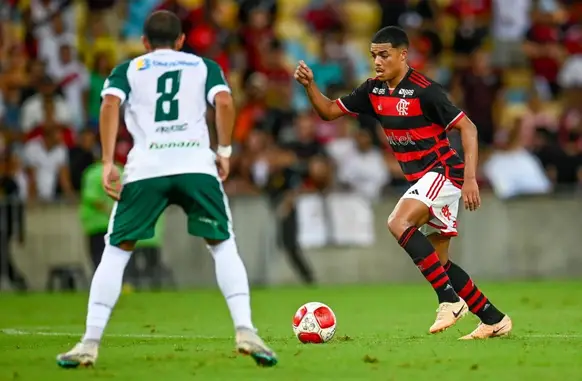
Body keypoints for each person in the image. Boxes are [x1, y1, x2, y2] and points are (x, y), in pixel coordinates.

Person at [56, 10, 277, 368]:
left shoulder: (128, 69)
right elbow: (223, 102)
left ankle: (89, 343)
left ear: (144, 43)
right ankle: (246, 330)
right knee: (222, 246)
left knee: (116, 252)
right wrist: (224, 151)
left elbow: (109, 103)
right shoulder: (204, 67)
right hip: (195, 166)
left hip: (147, 168)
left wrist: (109, 160)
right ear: (180, 41)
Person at [294, 26, 512, 339]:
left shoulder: (426, 90)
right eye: (373, 55)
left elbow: (469, 128)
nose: (377, 61)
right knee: (439, 263)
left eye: (384, 54)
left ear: (403, 55)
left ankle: (450, 300)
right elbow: (329, 111)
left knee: (398, 222)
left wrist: (470, 179)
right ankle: (494, 319)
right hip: (424, 179)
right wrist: (310, 86)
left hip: (443, 172)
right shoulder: (373, 90)